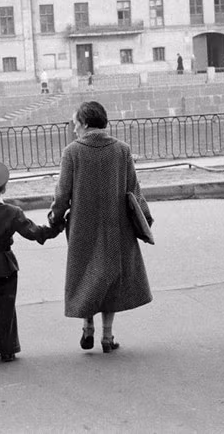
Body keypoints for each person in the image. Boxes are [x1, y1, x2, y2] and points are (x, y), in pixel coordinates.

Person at [48, 101, 154, 353]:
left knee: (87, 275)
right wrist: (145, 221)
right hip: (116, 226)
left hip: (83, 226)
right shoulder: (122, 150)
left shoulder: (72, 152)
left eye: (75, 124)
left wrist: (55, 217)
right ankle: (107, 337)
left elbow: (62, 194)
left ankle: (88, 328)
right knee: (111, 278)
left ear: (84, 124)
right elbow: (134, 191)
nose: (74, 129)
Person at [0, 161, 61, 362]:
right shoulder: (12, 212)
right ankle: (8, 348)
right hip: (6, 264)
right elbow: (33, 233)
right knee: (6, 306)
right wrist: (56, 228)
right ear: (5, 188)